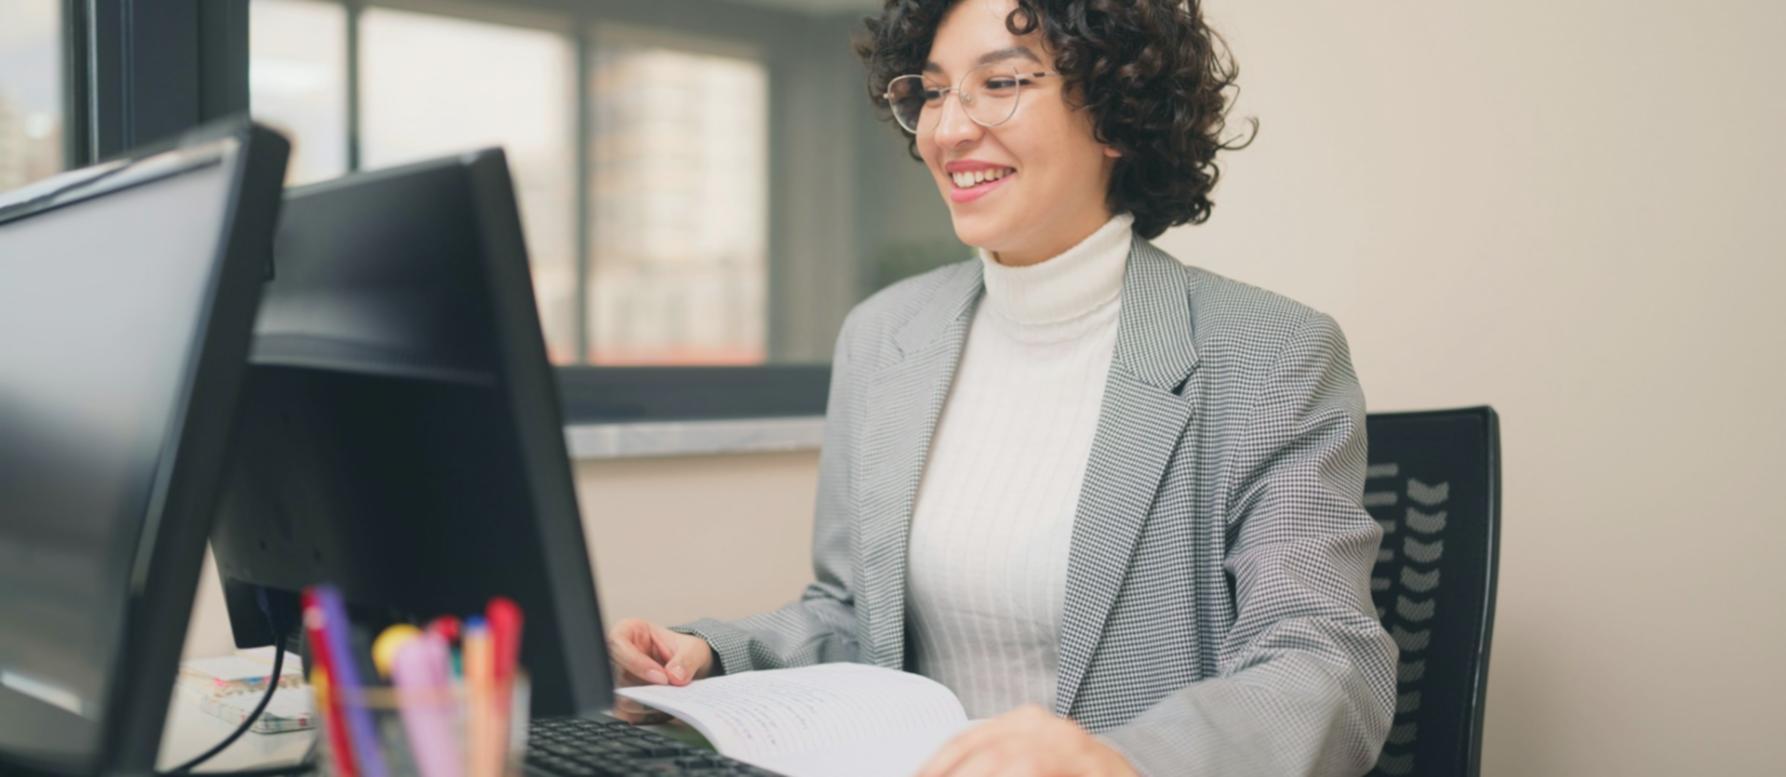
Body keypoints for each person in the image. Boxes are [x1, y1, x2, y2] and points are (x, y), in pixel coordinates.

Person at [606, 0, 1398, 774]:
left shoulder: (1271, 353)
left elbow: (1325, 664)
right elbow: (854, 616)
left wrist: (1117, 760)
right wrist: (710, 656)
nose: (949, 129)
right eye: (935, 89)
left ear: (1117, 112)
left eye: (1003, 82)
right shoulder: (884, 337)